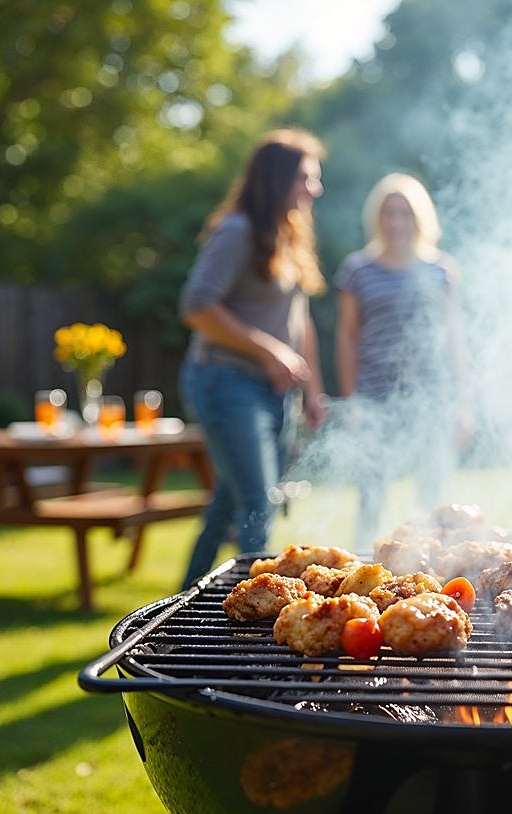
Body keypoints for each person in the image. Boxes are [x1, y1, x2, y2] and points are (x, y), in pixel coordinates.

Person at [178, 128, 329, 590]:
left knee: (228, 503)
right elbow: (197, 306)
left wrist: (313, 391)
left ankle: (181, 606)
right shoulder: (238, 230)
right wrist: (269, 349)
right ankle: (252, 611)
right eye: (306, 178)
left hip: (273, 392)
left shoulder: (287, 234)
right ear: (276, 179)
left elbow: (300, 320)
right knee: (259, 504)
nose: (314, 189)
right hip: (226, 385)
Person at [333, 172, 465, 549]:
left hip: (433, 398)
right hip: (375, 396)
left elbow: (455, 339)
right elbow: (347, 337)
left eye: (405, 214)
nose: (396, 222)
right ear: (378, 218)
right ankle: (361, 568)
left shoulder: (442, 270)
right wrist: (352, 400)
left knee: (433, 499)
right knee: (371, 497)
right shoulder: (357, 270)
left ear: (419, 218)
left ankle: (436, 573)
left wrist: (462, 405)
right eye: (389, 213)